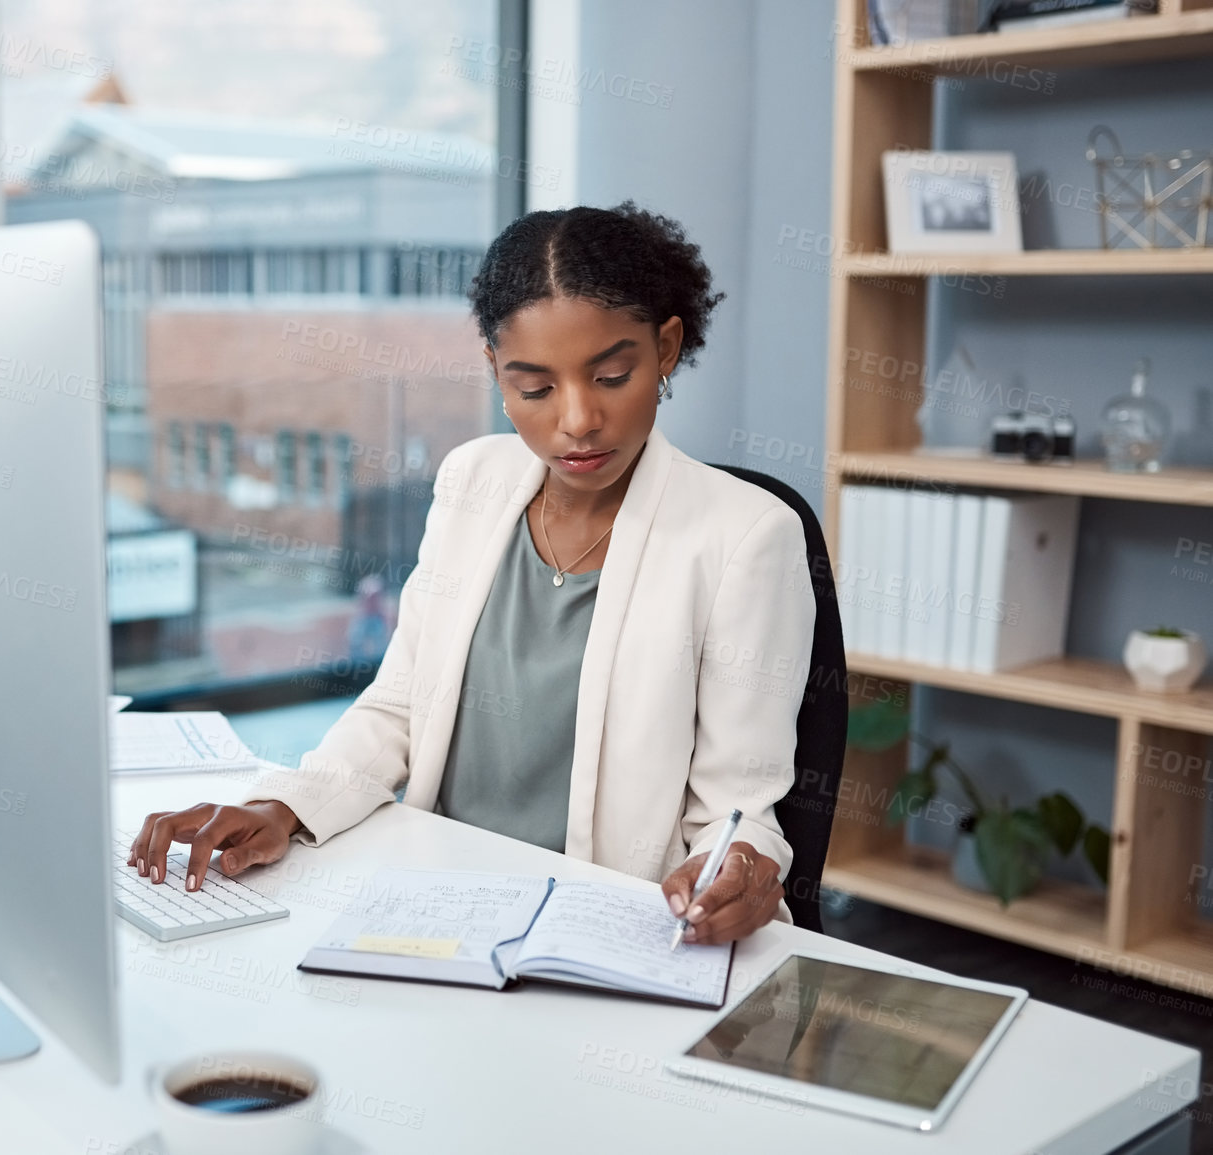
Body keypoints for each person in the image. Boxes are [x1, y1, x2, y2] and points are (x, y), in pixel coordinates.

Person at [128, 203, 816, 946]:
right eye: (534, 387)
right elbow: (398, 705)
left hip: (604, 938)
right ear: (495, 371)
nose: (578, 419)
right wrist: (281, 806)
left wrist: (736, 865)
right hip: (436, 910)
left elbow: (737, 809)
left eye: (612, 375)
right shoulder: (471, 480)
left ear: (667, 347)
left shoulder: (745, 536)